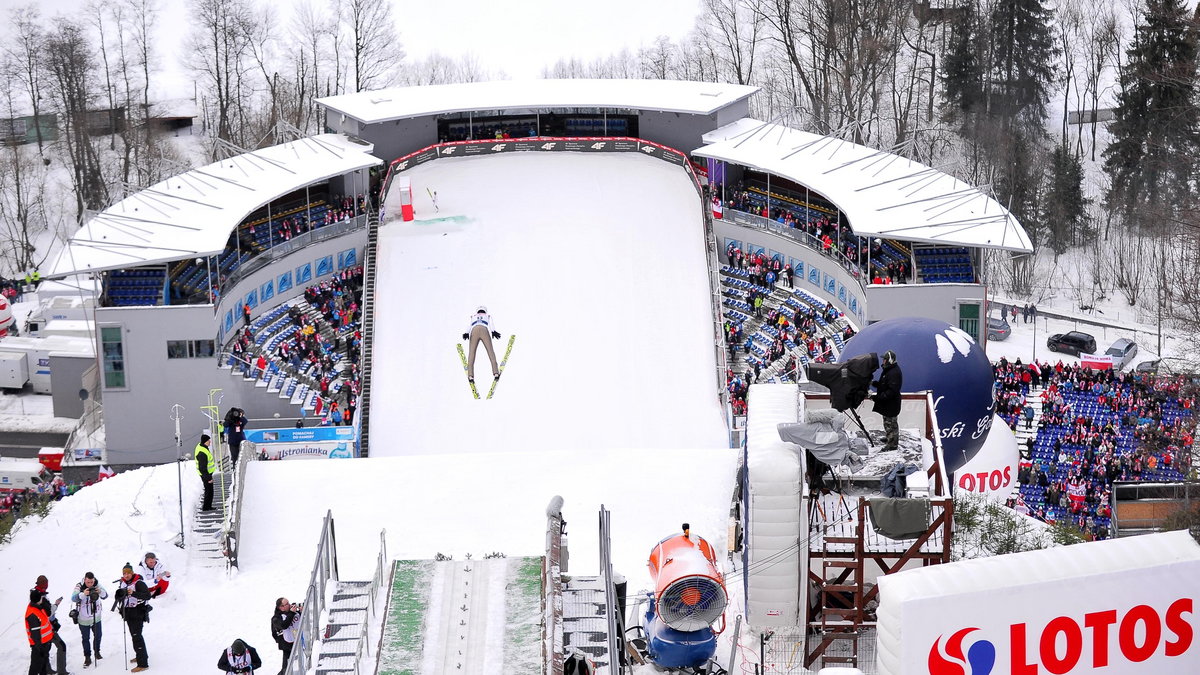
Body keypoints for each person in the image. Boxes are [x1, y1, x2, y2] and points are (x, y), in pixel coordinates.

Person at [115, 563, 152, 672]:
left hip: (138, 612)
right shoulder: (123, 583)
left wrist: (133, 593)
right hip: (128, 612)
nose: (126, 575)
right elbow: (119, 596)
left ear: (132, 573)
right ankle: (140, 656)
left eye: (128, 573)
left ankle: (143, 664)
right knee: (134, 636)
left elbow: (148, 596)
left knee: (137, 637)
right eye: (124, 573)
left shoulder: (139, 583)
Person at [72, 572, 108, 667]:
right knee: (85, 638)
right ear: (85, 579)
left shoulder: (97, 584)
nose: (90, 584)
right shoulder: (79, 586)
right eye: (88, 582)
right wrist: (82, 594)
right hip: (83, 618)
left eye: (92, 582)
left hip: (96, 616)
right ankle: (87, 657)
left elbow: (105, 596)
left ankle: (97, 652)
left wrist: (100, 591)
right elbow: (73, 598)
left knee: (98, 635)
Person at [872, 350, 903, 452]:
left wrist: (878, 397)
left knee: (891, 424)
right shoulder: (889, 370)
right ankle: (890, 437)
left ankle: (892, 444)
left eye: (884, 359)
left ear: (890, 360)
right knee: (887, 423)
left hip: (891, 404)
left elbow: (891, 391)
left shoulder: (894, 373)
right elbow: (886, 384)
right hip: (888, 404)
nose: (883, 361)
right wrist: (876, 384)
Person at [461, 306, 501, 384]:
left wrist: (466, 333)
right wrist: (493, 331)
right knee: (490, 351)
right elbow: (491, 324)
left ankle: (470, 375)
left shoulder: (473, 316)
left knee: (472, 353)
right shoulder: (487, 316)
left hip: (474, 330)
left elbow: (469, 325)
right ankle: (496, 372)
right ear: (485, 311)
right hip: (484, 329)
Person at [270, 598, 302, 675]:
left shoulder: (294, 612)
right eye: (287, 604)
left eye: (288, 602)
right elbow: (284, 625)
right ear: (281, 607)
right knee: (286, 667)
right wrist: (292, 613)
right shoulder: (276, 618)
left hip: (298, 641)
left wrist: (301, 611)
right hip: (286, 645)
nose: (289, 604)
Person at [27, 587, 54, 675]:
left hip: (44, 644)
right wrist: (40, 648)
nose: (43, 599)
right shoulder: (32, 614)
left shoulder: (38, 607)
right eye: (41, 598)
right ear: (37, 599)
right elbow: (35, 634)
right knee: (35, 668)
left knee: (43, 668)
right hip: (39, 647)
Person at [196, 433, 216, 511]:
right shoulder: (202, 453)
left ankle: (208, 506)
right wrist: (208, 478)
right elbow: (202, 468)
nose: (210, 442)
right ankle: (206, 507)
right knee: (209, 491)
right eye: (208, 441)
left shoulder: (202, 447)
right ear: (205, 441)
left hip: (207, 474)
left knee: (209, 490)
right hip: (206, 474)